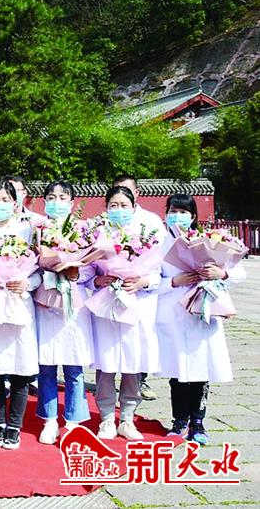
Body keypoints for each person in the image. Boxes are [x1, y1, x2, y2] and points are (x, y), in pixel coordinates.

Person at [157, 194, 243, 445]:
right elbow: (149, 281)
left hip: (203, 311)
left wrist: (221, 273)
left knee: (201, 368)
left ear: (193, 216)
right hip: (173, 313)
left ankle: (198, 422)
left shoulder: (208, 240)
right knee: (177, 371)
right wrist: (174, 281)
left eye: (183, 212)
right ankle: (179, 421)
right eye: (173, 211)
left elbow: (239, 271)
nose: (177, 216)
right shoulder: (159, 244)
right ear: (166, 214)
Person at [90, 185, 162, 441]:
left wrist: (142, 282)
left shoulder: (145, 237)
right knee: (106, 365)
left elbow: (158, 274)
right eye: (113, 205)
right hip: (106, 307)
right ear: (106, 208)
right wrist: (99, 281)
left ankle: (128, 419)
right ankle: (107, 418)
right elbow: (87, 272)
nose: (118, 210)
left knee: (133, 364)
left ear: (133, 207)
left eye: (124, 205)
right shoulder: (98, 235)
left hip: (135, 306)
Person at [0, 178, 40, 450]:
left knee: (20, 367)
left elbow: (40, 271)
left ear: (15, 203)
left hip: (19, 303)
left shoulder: (28, 231)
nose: (0, 205)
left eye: (5, 200)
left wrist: (28, 283)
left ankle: (15, 425)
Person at [34, 181, 94, 445]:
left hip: (74, 303)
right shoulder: (38, 230)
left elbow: (94, 267)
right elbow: (28, 263)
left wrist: (77, 272)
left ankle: (72, 421)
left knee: (73, 365)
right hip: (46, 301)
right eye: (51, 197)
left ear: (71, 203)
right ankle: (49, 419)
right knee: (46, 365)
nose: (56, 202)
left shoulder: (83, 230)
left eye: (62, 197)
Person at [110, 175, 166, 403]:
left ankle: (138, 385)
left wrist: (142, 280)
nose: (121, 197)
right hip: (111, 294)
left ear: (137, 193)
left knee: (138, 346)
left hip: (141, 294)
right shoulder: (104, 223)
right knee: (110, 349)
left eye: (126, 191)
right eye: (117, 191)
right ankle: (108, 394)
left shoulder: (151, 221)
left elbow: (160, 258)